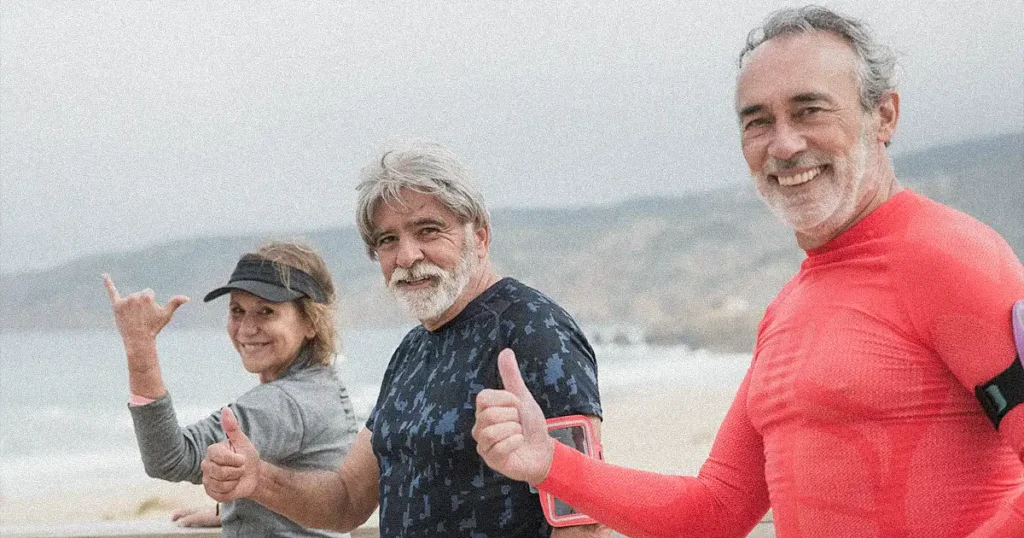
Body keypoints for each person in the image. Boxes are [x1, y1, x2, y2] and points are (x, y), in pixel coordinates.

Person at [472, 5, 1024, 538]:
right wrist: (549, 463)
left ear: (883, 116)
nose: (783, 144)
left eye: (810, 110)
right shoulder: (787, 309)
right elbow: (713, 512)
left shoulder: (953, 259)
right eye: (758, 122)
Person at [201, 141, 606, 537]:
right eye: (388, 240)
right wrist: (258, 479)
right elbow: (346, 501)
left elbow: (584, 512)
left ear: (479, 237)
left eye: (428, 230)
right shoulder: (412, 350)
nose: (407, 256)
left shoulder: (534, 330)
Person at [104, 240, 360, 537]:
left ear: (311, 322)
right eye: (237, 310)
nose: (247, 328)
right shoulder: (322, 387)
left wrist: (140, 346)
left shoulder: (284, 402)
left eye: (266, 312)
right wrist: (233, 509)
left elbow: (170, 458)